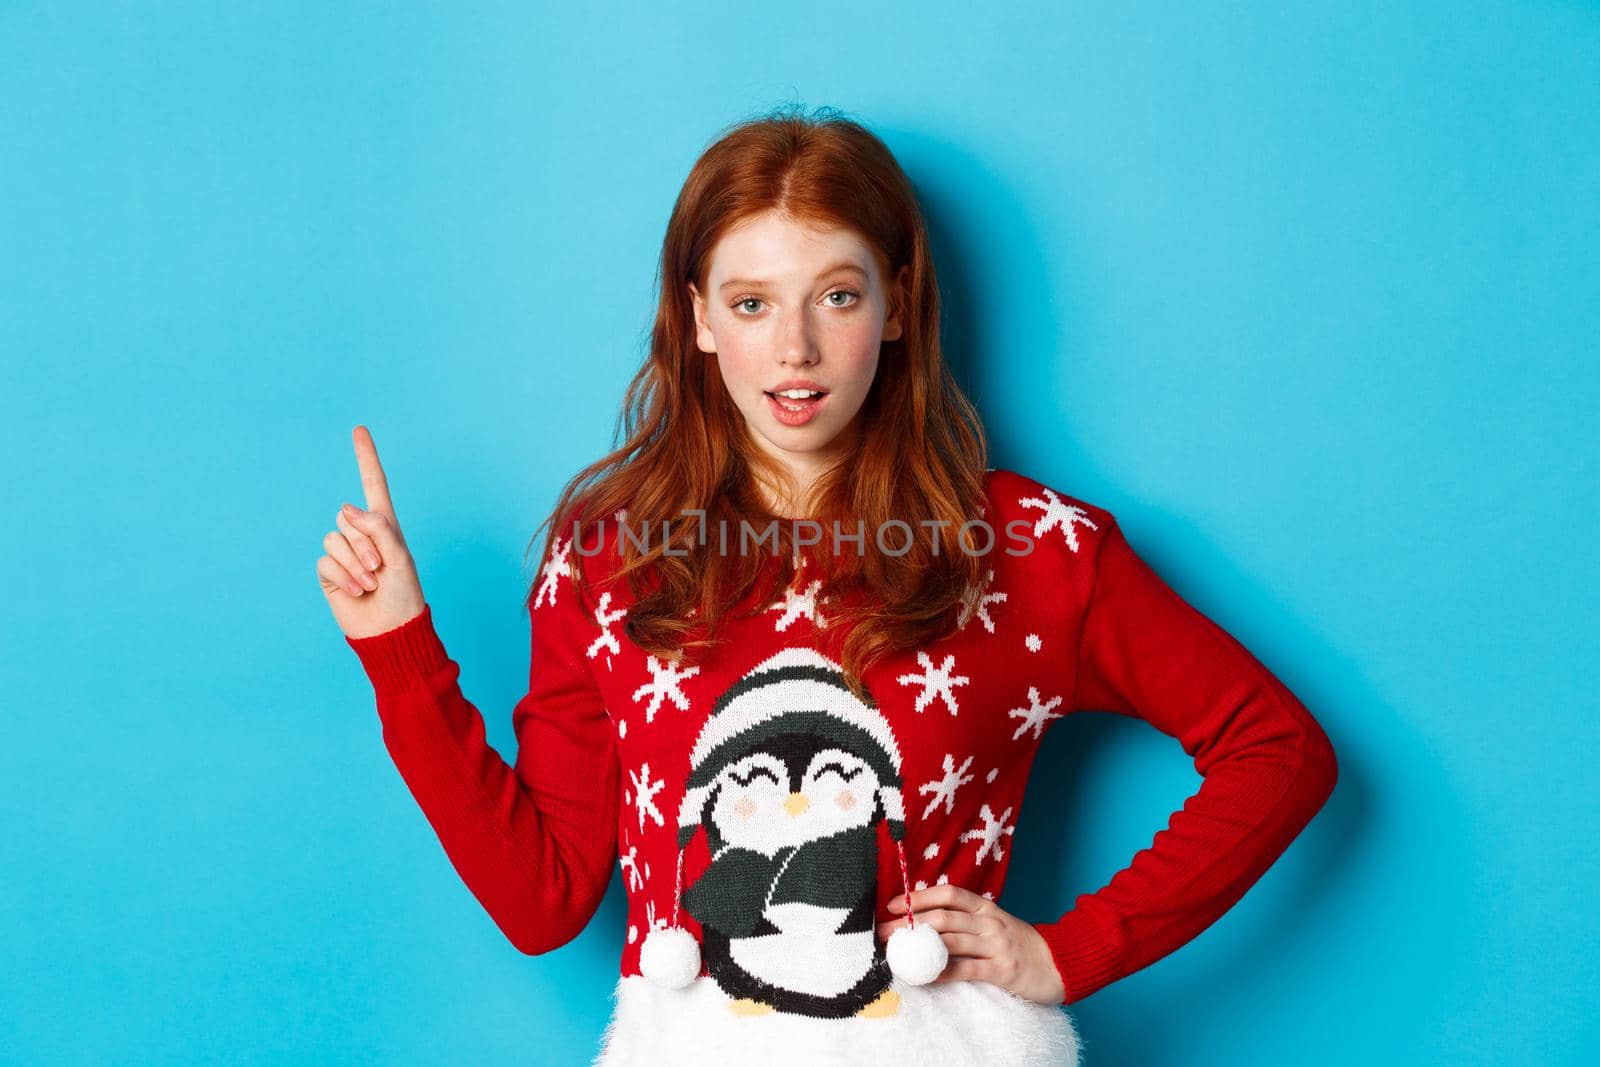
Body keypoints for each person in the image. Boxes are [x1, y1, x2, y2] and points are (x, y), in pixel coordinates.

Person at [318, 105, 1338, 1066]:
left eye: (836, 295)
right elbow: (540, 900)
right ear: (699, 318)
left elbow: (1277, 748)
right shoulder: (605, 557)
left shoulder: (1033, 546)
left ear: (897, 304)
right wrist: (399, 650)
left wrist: (1073, 949)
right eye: (751, 302)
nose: (794, 348)